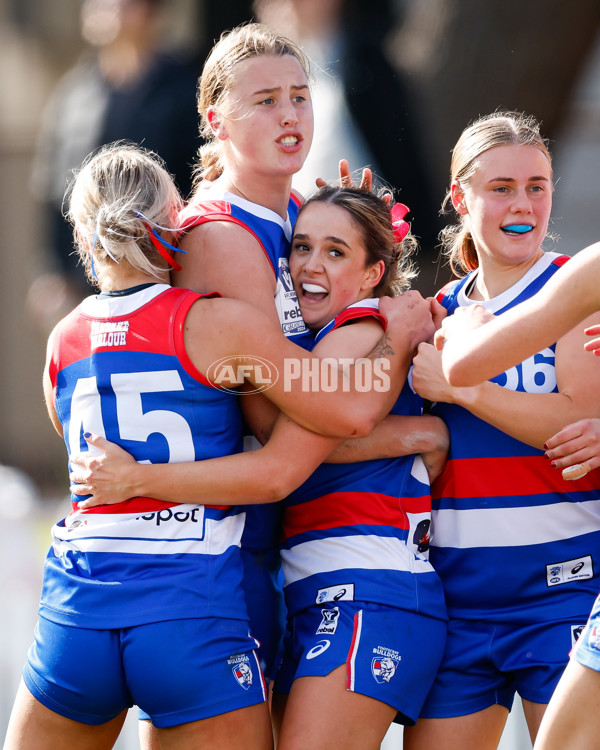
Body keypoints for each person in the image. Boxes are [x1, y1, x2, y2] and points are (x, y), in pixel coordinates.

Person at [2, 142, 434, 750]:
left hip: (77, 605)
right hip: (188, 603)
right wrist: (397, 339)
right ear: (173, 227)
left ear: (84, 233)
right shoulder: (216, 323)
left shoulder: (62, 339)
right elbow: (349, 404)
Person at [402, 111, 600, 750]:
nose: (524, 205)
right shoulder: (437, 311)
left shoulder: (572, 287)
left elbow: (572, 426)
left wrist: (463, 387)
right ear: (460, 197)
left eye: (537, 186)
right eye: (502, 188)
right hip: (458, 596)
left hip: (563, 588)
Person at [28, 0, 201, 330]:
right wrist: (52, 271)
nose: (104, 8)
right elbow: (52, 191)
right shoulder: (75, 94)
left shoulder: (184, 89)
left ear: (150, 11)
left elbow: (200, 178)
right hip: (90, 283)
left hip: (168, 279)